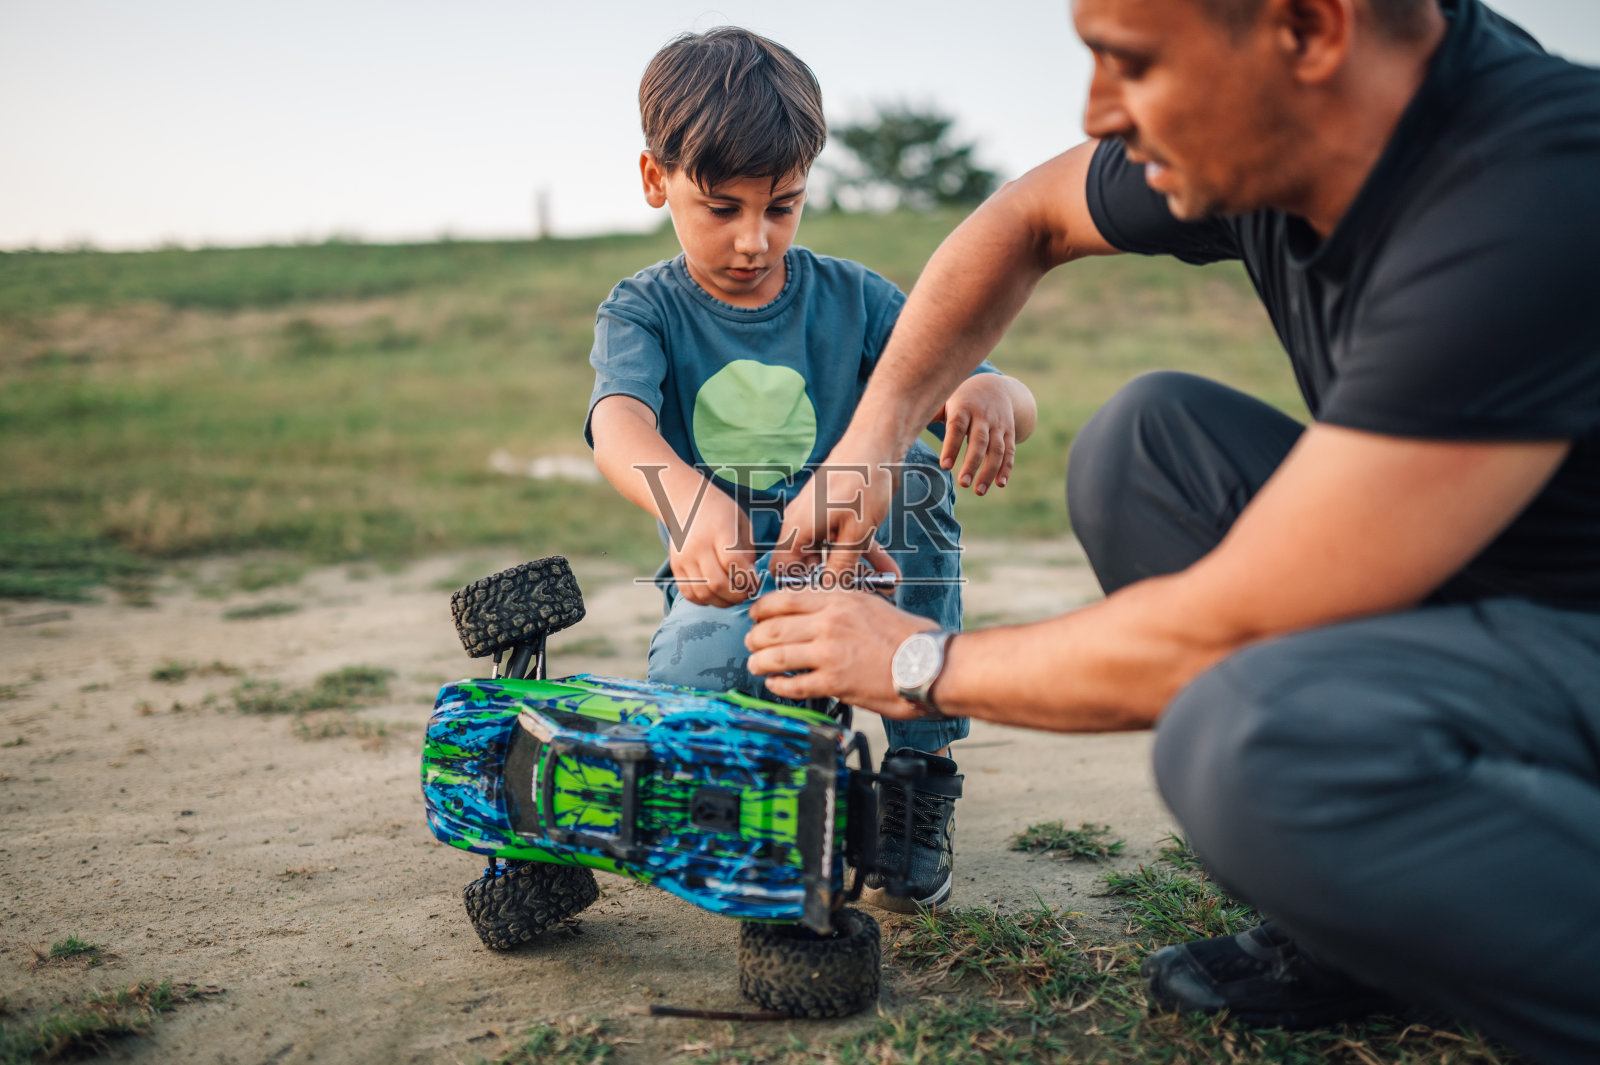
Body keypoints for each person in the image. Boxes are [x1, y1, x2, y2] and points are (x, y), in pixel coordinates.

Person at [742, 0, 1600, 1060]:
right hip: (1499, 612)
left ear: (1307, 30)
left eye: (1129, 63)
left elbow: (1219, 634)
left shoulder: (1533, 188)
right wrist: (874, 437)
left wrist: (916, 658)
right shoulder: (1295, 129)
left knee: (1248, 739)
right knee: (1146, 444)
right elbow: (1026, 218)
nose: (1100, 110)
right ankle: (1370, 928)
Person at [584, 27, 1037, 914]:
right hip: (736, 574)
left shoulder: (854, 297)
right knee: (693, 710)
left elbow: (979, 383)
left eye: (782, 205)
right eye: (723, 208)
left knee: (908, 465)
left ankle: (916, 770)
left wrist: (996, 394)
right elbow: (617, 420)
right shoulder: (643, 308)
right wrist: (688, 498)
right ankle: (794, 735)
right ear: (654, 181)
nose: (755, 239)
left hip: (859, 560)